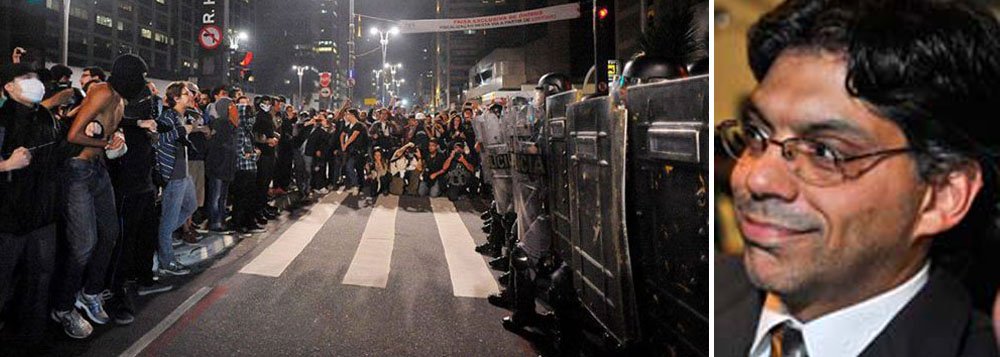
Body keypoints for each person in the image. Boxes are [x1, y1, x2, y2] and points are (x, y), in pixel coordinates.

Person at [715, 1, 1000, 356]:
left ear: (942, 195)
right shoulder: (702, 289)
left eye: (824, 152)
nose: (756, 178)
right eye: (757, 134)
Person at [53, 54, 145, 339]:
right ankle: (63, 307)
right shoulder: (103, 91)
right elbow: (74, 134)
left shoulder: (120, 99)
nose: (142, 82)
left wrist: (118, 138)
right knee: (83, 245)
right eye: (140, 76)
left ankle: (91, 292)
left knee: (110, 235)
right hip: (78, 170)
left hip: (99, 169)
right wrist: (106, 141)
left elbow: (104, 129)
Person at [0, 63, 62, 347]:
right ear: (9, 87)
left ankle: (33, 336)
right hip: (9, 219)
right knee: (5, 281)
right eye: (26, 78)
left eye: (36, 77)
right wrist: (6, 164)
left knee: (41, 278)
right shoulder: (3, 119)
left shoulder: (46, 117)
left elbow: (60, 150)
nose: (34, 82)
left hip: (43, 214)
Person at [152, 81, 197, 276]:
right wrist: (183, 130)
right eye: (186, 94)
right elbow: (159, 139)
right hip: (173, 174)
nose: (191, 96)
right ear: (176, 98)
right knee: (169, 219)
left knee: (190, 206)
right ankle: (167, 260)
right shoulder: (167, 117)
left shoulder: (181, 116)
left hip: (183, 172)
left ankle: (162, 234)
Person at [204, 85, 239, 233]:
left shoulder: (229, 127)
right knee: (216, 195)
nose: (234, 111)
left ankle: (221, 220)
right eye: (231, 108)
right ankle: (215, 222)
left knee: (222, 195)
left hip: (225, 166)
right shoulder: (220, 126)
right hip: (219, 165)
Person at [340, 105, 365, 194]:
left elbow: (353, 137)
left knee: (356, 169)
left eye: (348, 114)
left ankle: (357, 186)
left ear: (353, 115)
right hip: (350, 151)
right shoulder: (349, 125)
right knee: (348, 168)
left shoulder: (359, 125)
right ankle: (355, 185)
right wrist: (343, 144)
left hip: (358, 151)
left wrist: (345, 145)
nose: (346, 116)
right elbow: (342, 134)